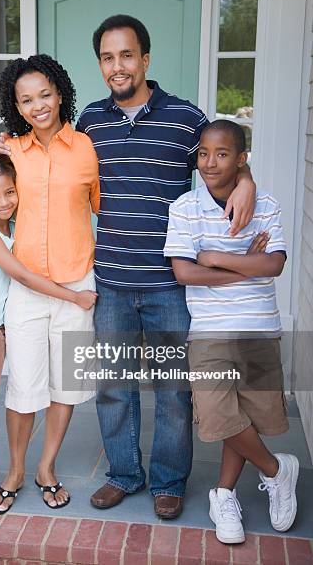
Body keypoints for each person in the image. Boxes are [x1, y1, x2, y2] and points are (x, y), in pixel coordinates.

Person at [0, 15, 256, 519]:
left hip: (169, 281)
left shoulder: (184, 118)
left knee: (174, 391)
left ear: (145, 59)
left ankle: (169, 481)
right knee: (114, 387)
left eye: (127, 55)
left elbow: (223, 155)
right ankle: (124, 474)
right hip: (108, 279)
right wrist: (5, 144)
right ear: (100, 65)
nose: (118, 66)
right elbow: (41, 163)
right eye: (108, 58)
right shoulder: (89, 123)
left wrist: (245, 179)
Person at [0, 54, 100, 513]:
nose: (38, 106)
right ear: (15, 105)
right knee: (24, 387)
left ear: (61, 93)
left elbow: (103, 211)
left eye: (45, 95)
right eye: (26, 99)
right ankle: (15, 469)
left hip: (78, 285)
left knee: (66, 388)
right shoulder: (8, 152)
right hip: (26, 291)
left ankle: (46, 468)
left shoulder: (86, 148)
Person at [0, 155, 96, 525]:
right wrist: (73, 297)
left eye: (10, 192)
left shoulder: (17, 226)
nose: (5, 201)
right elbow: (17, 273)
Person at [164, 119, 298, 543]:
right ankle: (278, 470)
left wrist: (215, 257)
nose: (209, 162)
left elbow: (274, 265)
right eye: (203, 153)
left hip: (258, 327)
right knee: (220, 414)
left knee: (247, 414)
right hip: (209, 330)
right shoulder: (185, 207)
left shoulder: (267, 204)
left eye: (222, 154)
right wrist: (244, 264)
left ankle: (223, 494)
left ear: (242, 159)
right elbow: (184, 271)